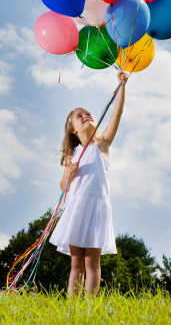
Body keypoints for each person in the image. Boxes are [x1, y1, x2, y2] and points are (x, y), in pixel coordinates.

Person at [50, 70, 128, 298]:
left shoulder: (102, 143)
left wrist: (122, 85)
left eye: (87, 113)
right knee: (76, 262)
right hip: (77, 208)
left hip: (96, 208)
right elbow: (63, 186)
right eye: (79, 116)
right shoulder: (72, 154)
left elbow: (118, 112)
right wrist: (70, 173)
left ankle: (90, 306)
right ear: (73, 129)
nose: (85, 116)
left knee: (91, 261)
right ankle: (73, 306)